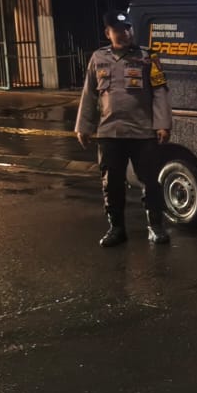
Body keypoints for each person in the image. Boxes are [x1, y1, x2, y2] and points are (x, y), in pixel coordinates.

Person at [74, 13, 172, 248]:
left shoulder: (147, 57)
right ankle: (116, 228)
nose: (125, 33)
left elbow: (160, 91)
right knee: (112, 183)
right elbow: (89, 94)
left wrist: (162, 124)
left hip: (142, 132)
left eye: (128, 28)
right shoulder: (98, 58)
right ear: (108, 33)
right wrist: (83, 127)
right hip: (110, 132)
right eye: (119, 30)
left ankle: (155, 227)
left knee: (150, 181)